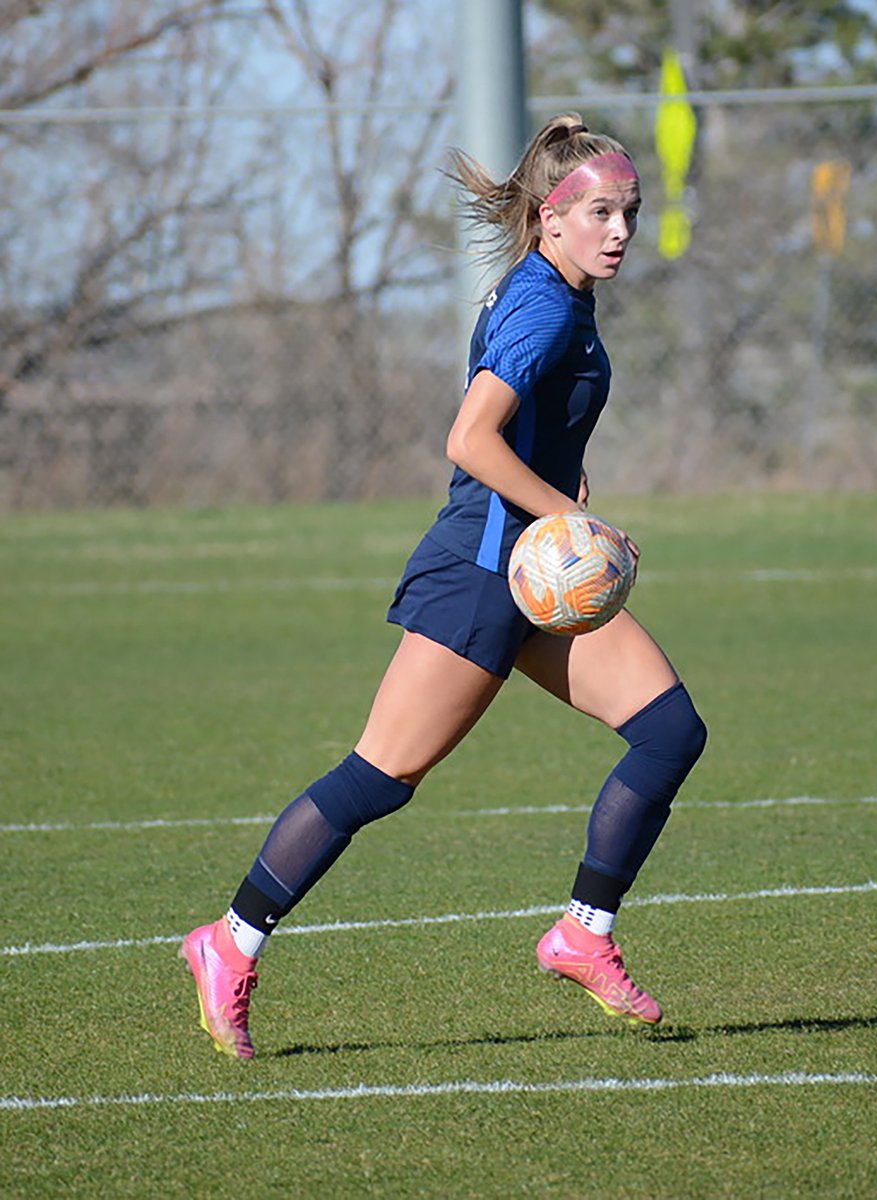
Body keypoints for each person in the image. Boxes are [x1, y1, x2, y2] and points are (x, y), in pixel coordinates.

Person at [181, 113, 707, 1060]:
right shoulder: (547, 304)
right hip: (478, 575)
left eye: (629, 210)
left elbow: (528, 435)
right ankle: (229, 942)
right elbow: (469, 441)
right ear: (551, 220)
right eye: (599, 211)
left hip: (534, 576)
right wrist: (571, 519)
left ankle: (583, 932)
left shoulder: (564, 296)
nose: (620, 228)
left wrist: (561, 492)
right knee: (380, 777)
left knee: (670, 731)